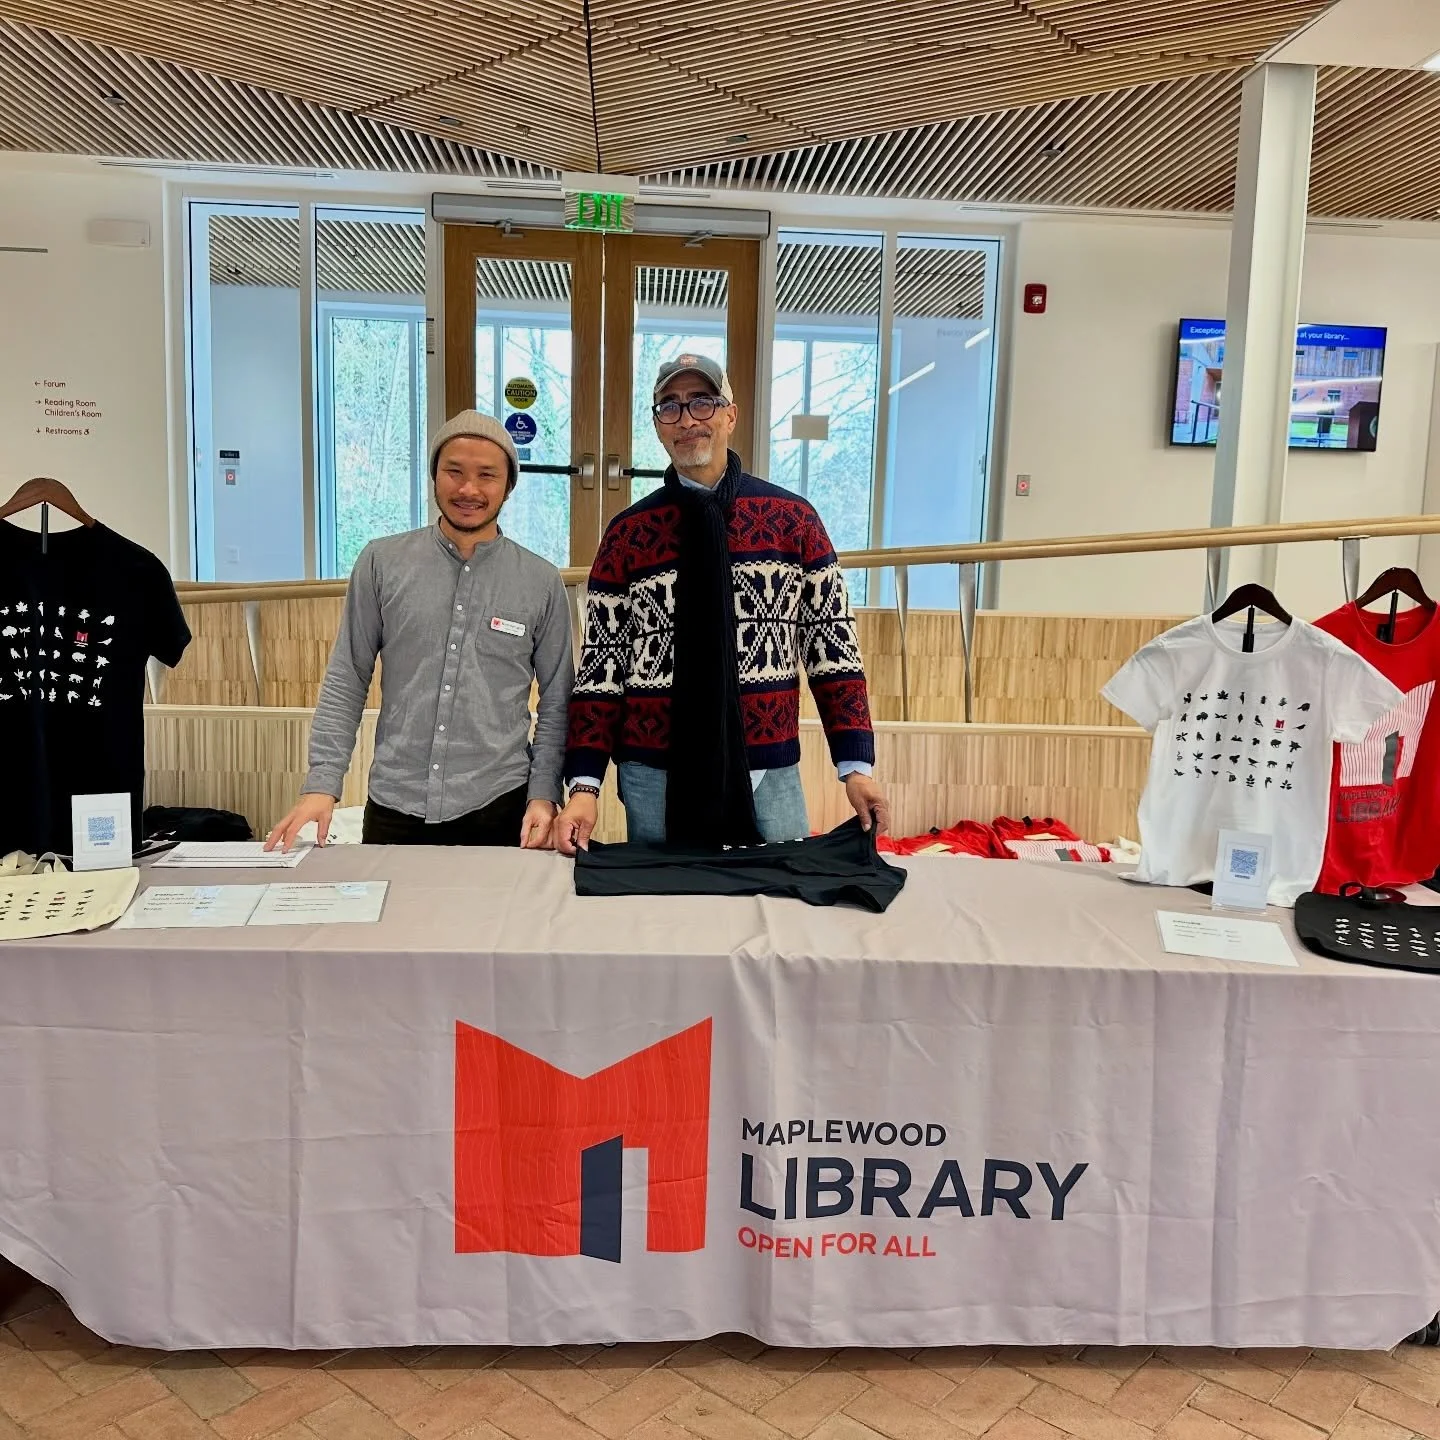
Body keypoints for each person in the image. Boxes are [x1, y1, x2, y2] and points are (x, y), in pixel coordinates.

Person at [555, 354, 887, 855]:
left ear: (731, 415)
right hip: (656, 774)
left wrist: (855, 767)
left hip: (767, 767)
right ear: (658, 426)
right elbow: (601, 666)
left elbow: (833, 650)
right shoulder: (628, 534)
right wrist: (584, 784)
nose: (687, 418)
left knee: (780, 896)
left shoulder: (793, 521)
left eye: (702, 402)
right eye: (670, 406)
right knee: (668, 899)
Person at [266, 411, 573, 850]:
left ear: (508, 485)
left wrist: (544, 793)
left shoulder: (540, 581)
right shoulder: (381, 563)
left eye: (487, 475)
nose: (468, 489)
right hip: (395, 802)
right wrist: (322, 783)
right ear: (434, 475)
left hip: (500, 803)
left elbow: (558, 700)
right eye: (454, 471)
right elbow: (347, 676)